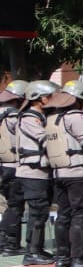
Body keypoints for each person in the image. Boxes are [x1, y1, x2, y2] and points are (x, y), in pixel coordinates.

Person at [43, 80, 83, 267]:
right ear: (77, 100)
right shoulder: (75, 117)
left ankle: (62, 257)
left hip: (59, 172)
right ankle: (78, 258)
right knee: (81, 216)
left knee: (64, 215)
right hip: (78, 173)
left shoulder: (52, 118)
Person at [16, 82, 58, 265]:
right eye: (50, 96)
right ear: (39, 98)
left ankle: (37, 249)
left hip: (41, 171)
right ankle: (32, 252)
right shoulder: (29, 118)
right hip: (32, 172)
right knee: (37, 212)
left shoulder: (41, 116)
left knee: (41, 212)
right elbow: (45, 139)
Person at [0, 81, 27, 257]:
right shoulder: (14, 116)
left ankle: (6, 242)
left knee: (8, 205)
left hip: (2, 164)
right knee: (15, 206)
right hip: (13, 165)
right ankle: (10, 243)